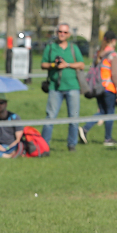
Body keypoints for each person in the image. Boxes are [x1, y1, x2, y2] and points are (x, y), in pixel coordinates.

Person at [40, 23, 84, 151]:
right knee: (50, 117)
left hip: (72, 86)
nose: (62, 34)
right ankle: (44, 145)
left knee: (74, 117)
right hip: (55, 87)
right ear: (56, 32)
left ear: (68, 34)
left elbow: (81, 64)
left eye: (65, 32)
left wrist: (67, 65)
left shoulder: (73, 47)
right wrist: (54, 65)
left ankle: (72, 145)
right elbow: (43, 64)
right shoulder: (50, 47)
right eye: (60, 31)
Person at [80, 30, 117, 147]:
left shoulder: (99, 54)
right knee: (110, 113)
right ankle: (108, 138)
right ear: (113, 41)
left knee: (102, 112)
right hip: (109, 87)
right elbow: (115, 75)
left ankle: (85, 129)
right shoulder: (113, 55)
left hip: (98, 87)